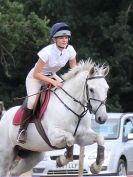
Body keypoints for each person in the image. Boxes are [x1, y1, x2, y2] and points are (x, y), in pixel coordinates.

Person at [17, 22, 77, 144]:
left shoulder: (70, 50)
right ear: (54, 39)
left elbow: (74, 71)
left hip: (52, 76)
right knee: (32, 102)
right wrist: (53, 82)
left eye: (66, 37)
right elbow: (36, 74)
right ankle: (22, 130)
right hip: (35, 78)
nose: (64, 40)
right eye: (61, 37)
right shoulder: (47, 52)